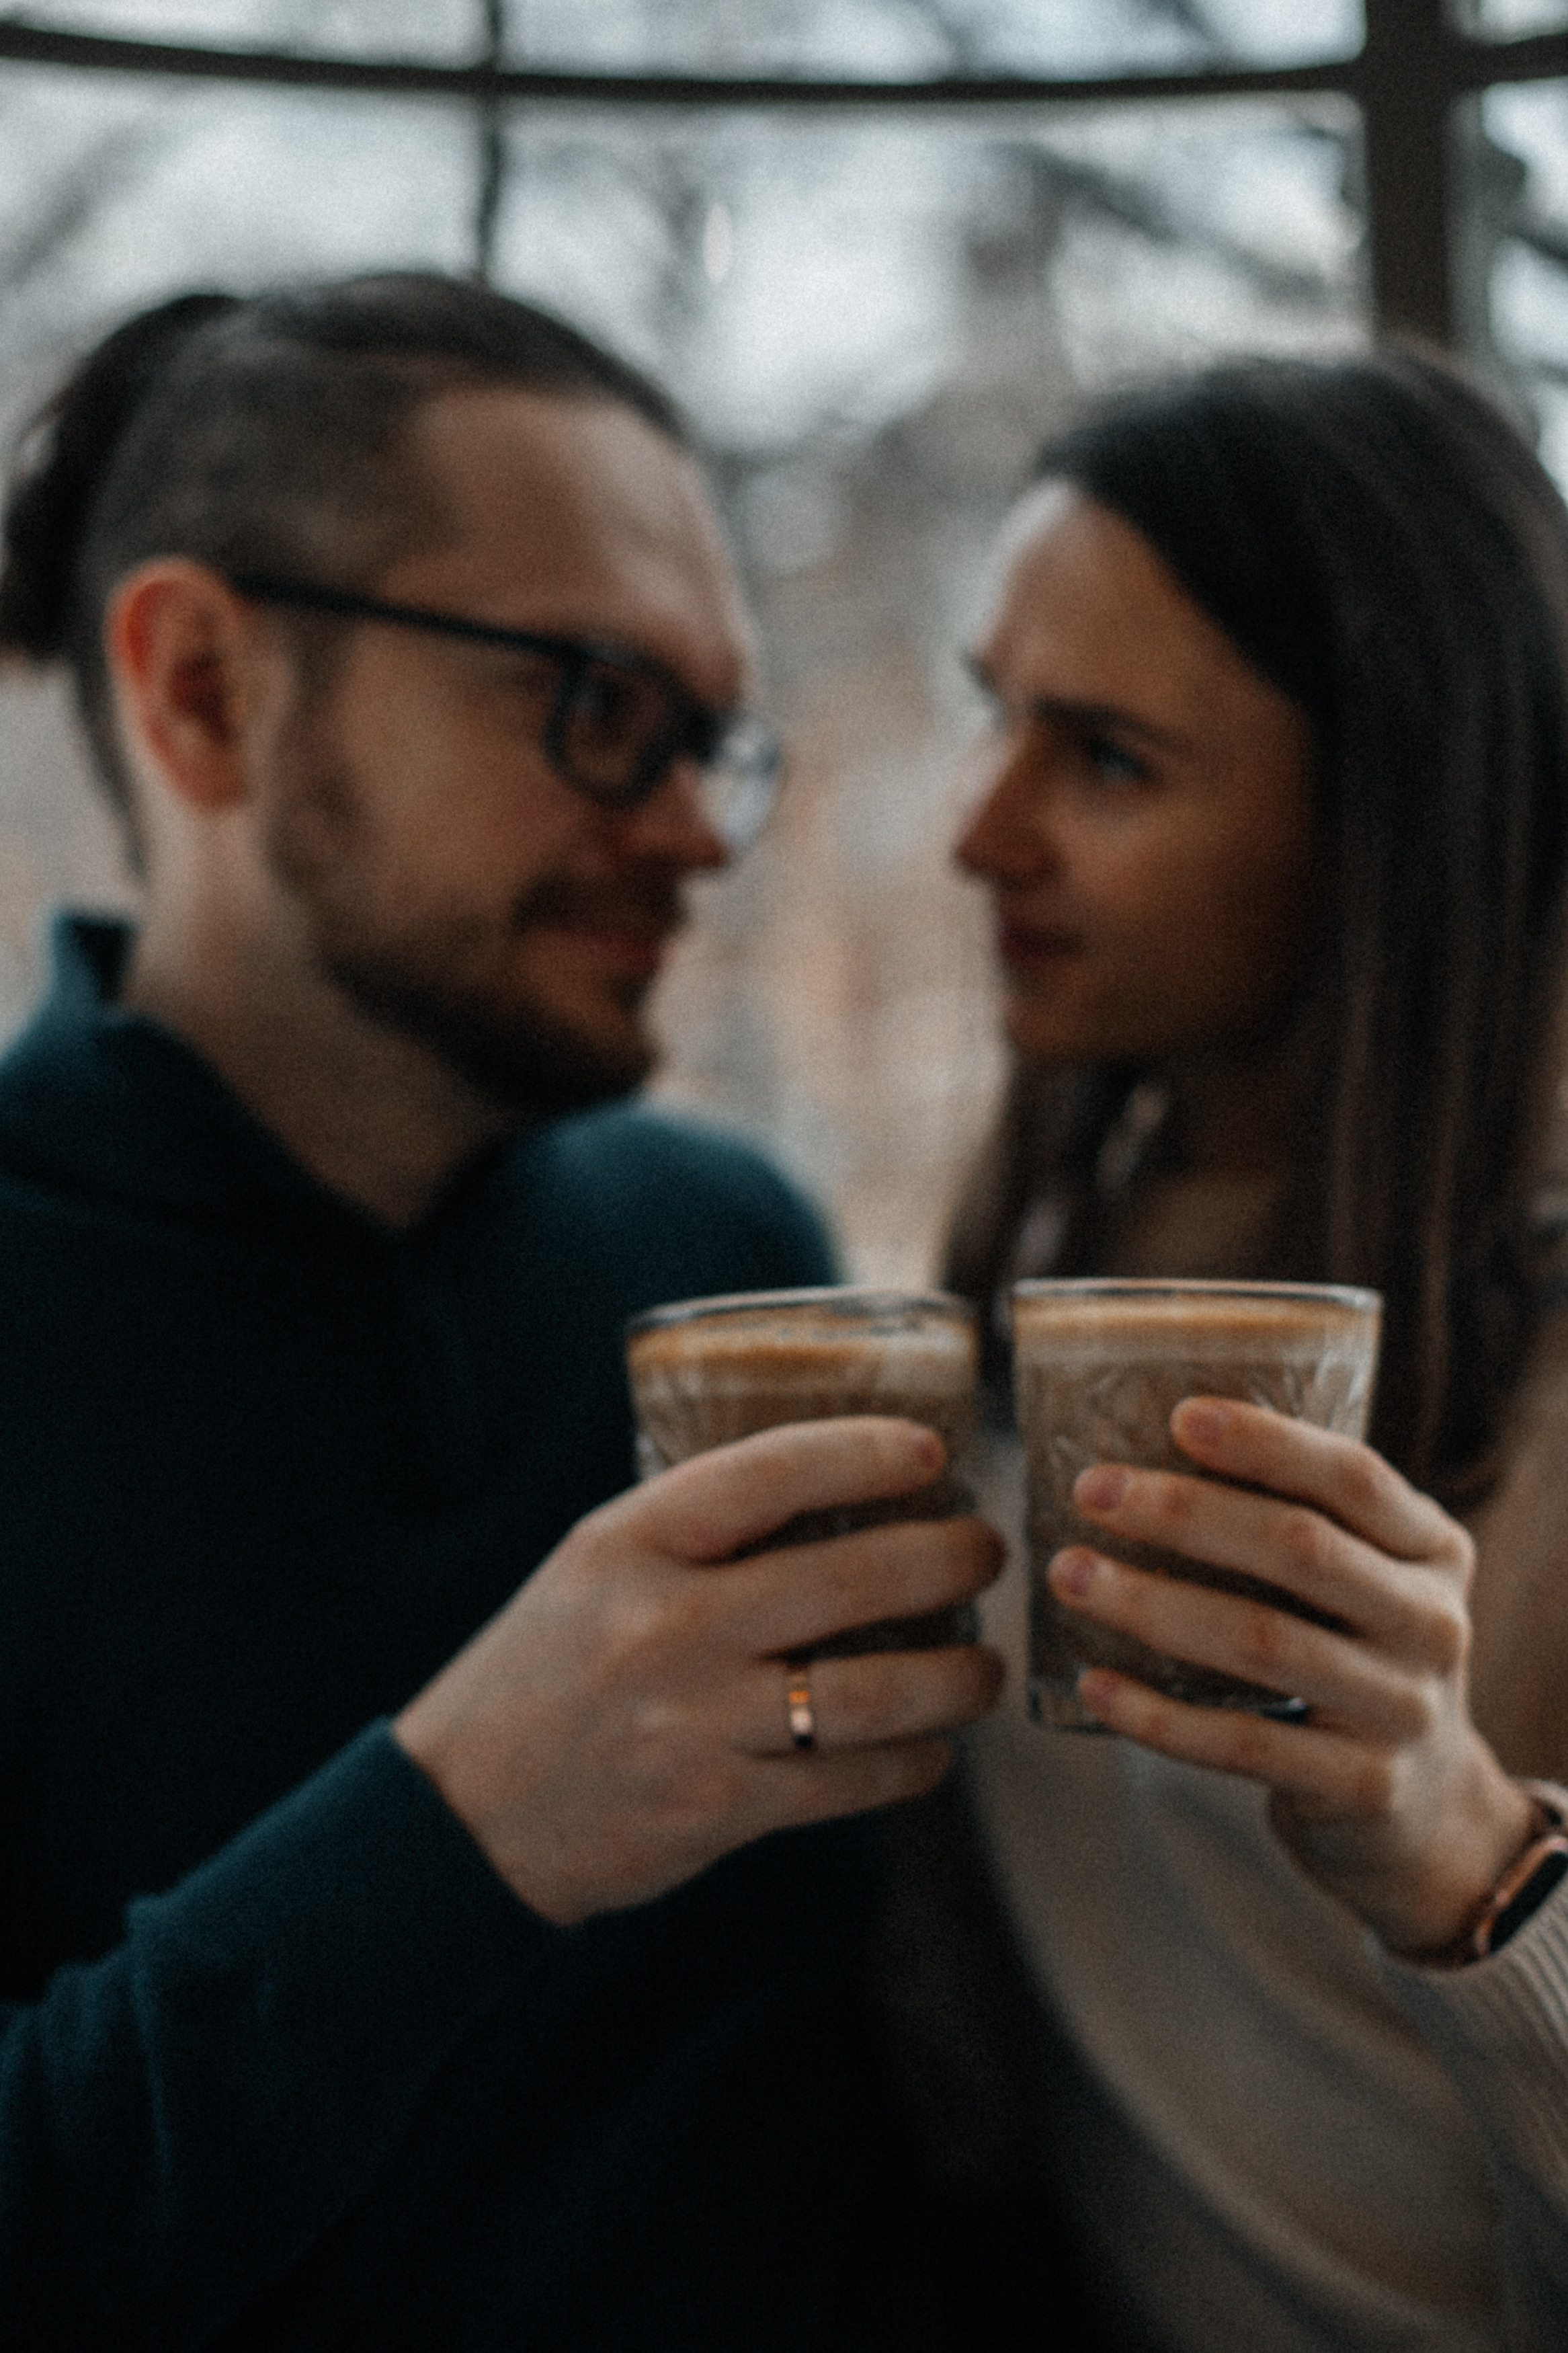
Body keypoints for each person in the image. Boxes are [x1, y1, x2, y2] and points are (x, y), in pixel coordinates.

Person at [0, 276, 1003, 2349]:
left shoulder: (730, 1252)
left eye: (711, 738)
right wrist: (466, 1828)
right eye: (593, 703)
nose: (692, 839)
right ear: (204, 688)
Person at [913, 348, 1568, 2350]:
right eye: (994, 720)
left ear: (1394, 820)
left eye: (1104, 756)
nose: (979, 833)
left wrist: (1464, 1850)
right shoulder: (1014, 1305)